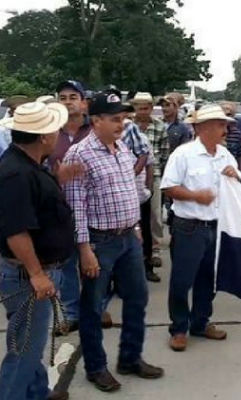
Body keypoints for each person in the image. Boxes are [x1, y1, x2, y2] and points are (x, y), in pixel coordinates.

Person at [64, 93, 163, 393]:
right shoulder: (79, 155)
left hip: (127, 238)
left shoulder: (121, 148)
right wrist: (84, 250)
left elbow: (131, 188)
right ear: (96, 120)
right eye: (115, 118)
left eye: (123, 118)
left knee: (137, 298)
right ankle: (96, 367)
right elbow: (76, 207)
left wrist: (135, 226)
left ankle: (130, 357)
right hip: (98, 242)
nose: (122, 123)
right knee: (93, 308)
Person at [0, 101, 83, 400]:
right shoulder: (16, 174)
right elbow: (16, 231)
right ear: (44, 137)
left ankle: (36, 393)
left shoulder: (28, 167)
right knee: (24, 350)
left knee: (30, 341)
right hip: (28, 276)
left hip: (36, 272)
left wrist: (58, 179)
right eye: (54, 130)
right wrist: (36, 273)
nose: (58, 134)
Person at [161, 104, 239, 351]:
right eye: (219, 124)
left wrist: (235, 175)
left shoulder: (225, 155)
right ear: (201, 128)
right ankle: (179, 327)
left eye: (224, 124)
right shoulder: (183, 154)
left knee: (209, 279)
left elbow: (238, 181)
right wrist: (195, 196)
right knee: (182, 281)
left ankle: (200, 321)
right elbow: (169, 187)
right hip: (189, 226)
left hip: (216, 226)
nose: (224, 129)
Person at [45, 80, 92, 335]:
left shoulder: (96, 129)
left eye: (73, 96)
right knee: (66, 263)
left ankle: (96, 306)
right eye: (62, 97)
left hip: (94, 209)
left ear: (84, 102)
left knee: (94, 262)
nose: (67, 102)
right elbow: (38, 170)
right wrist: (57, 177)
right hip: (59, 209)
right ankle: (71, 313)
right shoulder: (49, 133)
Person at [130, 92, 169, 271]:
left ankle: (155, 250)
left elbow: (164, 154)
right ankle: (137, 250)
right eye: (139, 108)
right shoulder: (128, 127)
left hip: (155, 174)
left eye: (146, 108)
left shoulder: (160, 127)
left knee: (155, 214)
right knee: (135, 215)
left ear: (151, 109)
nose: (142, 111)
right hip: (132, 175)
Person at [220, 102, 241, 174]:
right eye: (224, 114)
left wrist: (239, 174)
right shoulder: (211, 132)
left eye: (229, 114)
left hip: (231, 172)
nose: (226, 117)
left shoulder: (236, 133)